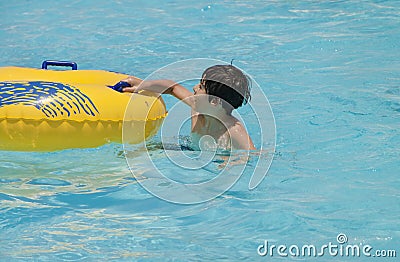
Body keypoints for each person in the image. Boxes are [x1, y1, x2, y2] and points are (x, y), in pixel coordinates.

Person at [110, 65, 256, 150]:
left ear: (214, 102)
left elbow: (254, 155)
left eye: (201, 87)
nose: (194, 88)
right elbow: (172, 87)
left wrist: (234, 163)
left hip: (215, 159)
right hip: (191, 149)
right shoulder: (197, 106)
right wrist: (143, 85)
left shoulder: (233, 131)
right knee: (145, 149)